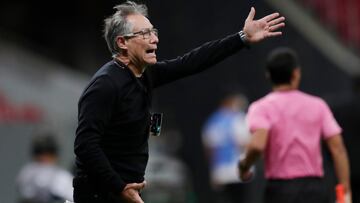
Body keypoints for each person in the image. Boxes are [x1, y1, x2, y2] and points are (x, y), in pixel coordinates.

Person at [73, 1, 285, 203]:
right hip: (100, 194)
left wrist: (241, 38)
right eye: (144, 34)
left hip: (125, 191)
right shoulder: (105, 85)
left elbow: (192, 62)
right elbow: (85, 145)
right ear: (122, 42)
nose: (154, 39)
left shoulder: (145, 75)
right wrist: (119, 186)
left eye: (153, 32)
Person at [238, 48, 352, 203]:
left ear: (268, 75)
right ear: (296, 73)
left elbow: (257, 145)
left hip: (280, 190)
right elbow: (337, 148)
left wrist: (244, 166)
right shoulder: (317, 105)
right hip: (314, 190)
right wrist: (344, 190)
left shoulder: (261, 108)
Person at [202, 93, 250, 203]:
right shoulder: (238, 118)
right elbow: (244, 143)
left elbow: (210, 150)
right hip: (238, 171)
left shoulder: (212, 121)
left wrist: (213, 171)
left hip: (221, 172)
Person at [16, 132, 73, 203]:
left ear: (55, 155)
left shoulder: (63, 177)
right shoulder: (27, 173)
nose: (44, 157)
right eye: (40, 152)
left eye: (49, 153)